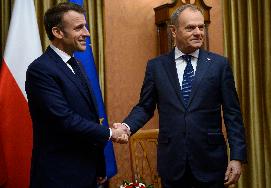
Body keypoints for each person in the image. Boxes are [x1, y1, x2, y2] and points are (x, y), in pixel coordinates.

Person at [114, 4, 247, 188]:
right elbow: (145, 107)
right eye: (191, 27)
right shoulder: (156, 66)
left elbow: (233, 115)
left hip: (210, 162)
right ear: (174, 31)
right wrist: (127, 126)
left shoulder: (219, 65)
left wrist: (237, 157)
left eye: (201, 27)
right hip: (173, 163)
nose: (198, 32)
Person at [25, 2, 128, 187]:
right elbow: (64, 119)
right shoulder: (40, 70)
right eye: (79, 28)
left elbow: (89, 116)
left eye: (86, 26)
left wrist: (98, 167)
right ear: (57, 32)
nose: (87, 33)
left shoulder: (77, 65)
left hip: (86, 172)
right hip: (58, 176)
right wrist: (111, 133)